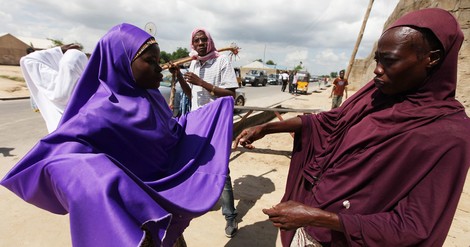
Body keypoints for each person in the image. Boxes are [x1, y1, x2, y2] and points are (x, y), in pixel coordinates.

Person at [233, 8, 470, 246]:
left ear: (432, 58)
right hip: (307, 227)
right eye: (377, 59)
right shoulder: (374, 96)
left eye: (390, 61)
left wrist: (320, 217)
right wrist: (267, 128)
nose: (377, 70)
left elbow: (415, 226)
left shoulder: (449, 135)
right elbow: (329, 122)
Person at [1, 23, 234, 247]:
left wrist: (214, 114)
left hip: (161, 212)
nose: (158, 67)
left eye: (158, 60)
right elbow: (58, 158)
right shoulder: (99, 111)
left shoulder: (152, 99)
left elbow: (173, 133)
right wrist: (98, 180)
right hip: (129, 224)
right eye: (150, 61)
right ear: (121, 62)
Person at [172, 28, 240, 238]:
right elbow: (191, 94)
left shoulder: (222, 62)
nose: (200, 43)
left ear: (210, 42)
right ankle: (201, 200)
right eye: (196, 40)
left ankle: (230, 217)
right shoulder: (194, 63)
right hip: (197, 120)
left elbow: (230, 94)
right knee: (194, 163)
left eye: (203, 40)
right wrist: (181, 77)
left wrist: (202, 82)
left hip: (216, 123)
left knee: (221, 169)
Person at [20, 43, 88, 133]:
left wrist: (58, 51)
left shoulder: (53, 84)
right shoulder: (98, 90)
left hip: (58, 136)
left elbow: (29, 61)